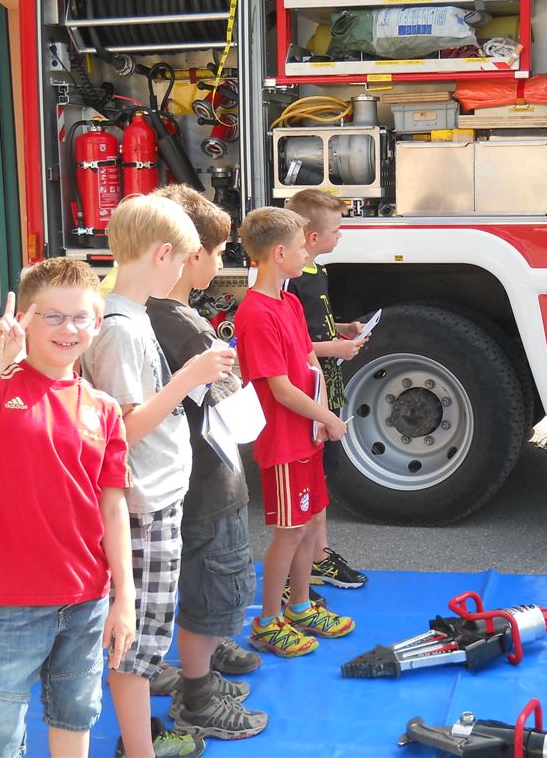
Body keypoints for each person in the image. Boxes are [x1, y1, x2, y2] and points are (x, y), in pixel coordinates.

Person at [0, 259, 135, 758]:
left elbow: (113, 510)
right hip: (12, 604)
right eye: (51, 316)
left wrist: (125, 598)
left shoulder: (103, 408)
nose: (68, 328)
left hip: (87, 600)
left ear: (97, 323)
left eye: (80, 317)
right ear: (22, 319)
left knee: (76, 714)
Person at [80, 194, 236, 758]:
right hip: (145, 504)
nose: (185, 272)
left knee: (147, 635)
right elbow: (123, 427)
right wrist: (188, 377)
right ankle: (139, 747)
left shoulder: (132, 315)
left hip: (155, 497)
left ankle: (140, 737)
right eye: (185, 258)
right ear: (165, 254)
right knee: (138, 641)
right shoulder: (121, 327)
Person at [144, 184, 267, 740]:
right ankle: (197, 698)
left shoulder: (137, 313)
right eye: (217, 253)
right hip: (207, 483)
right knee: (211, 594)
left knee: (196, 587)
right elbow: (242, 420)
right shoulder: (182, 325)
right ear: (189, 253)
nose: (220, 263)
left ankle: (197, 681)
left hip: (176, 481)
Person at [235, 206, 355, 658]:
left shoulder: (287, 302)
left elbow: (307, 363)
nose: (309, 251)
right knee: (289, 530)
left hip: (305, 436)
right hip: (284, 442)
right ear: (280, 253)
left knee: (306, 526)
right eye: (303, 246)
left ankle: (300, 606)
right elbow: (280, 389)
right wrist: (325, 418)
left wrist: (321, 416)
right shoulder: (256, 313)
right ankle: (267, 621)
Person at [284, 189, 369, 591]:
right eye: (336, 229)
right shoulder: (292, 284)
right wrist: (335, 348)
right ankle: (304, 563)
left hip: (328, 386)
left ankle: (318, 556)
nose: (342, 235)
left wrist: (345, 328)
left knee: (324, 475)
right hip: (309, 389)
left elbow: (319, 324)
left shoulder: (319, 274)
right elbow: (293, 342)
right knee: (312, 479)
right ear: (312, 238)